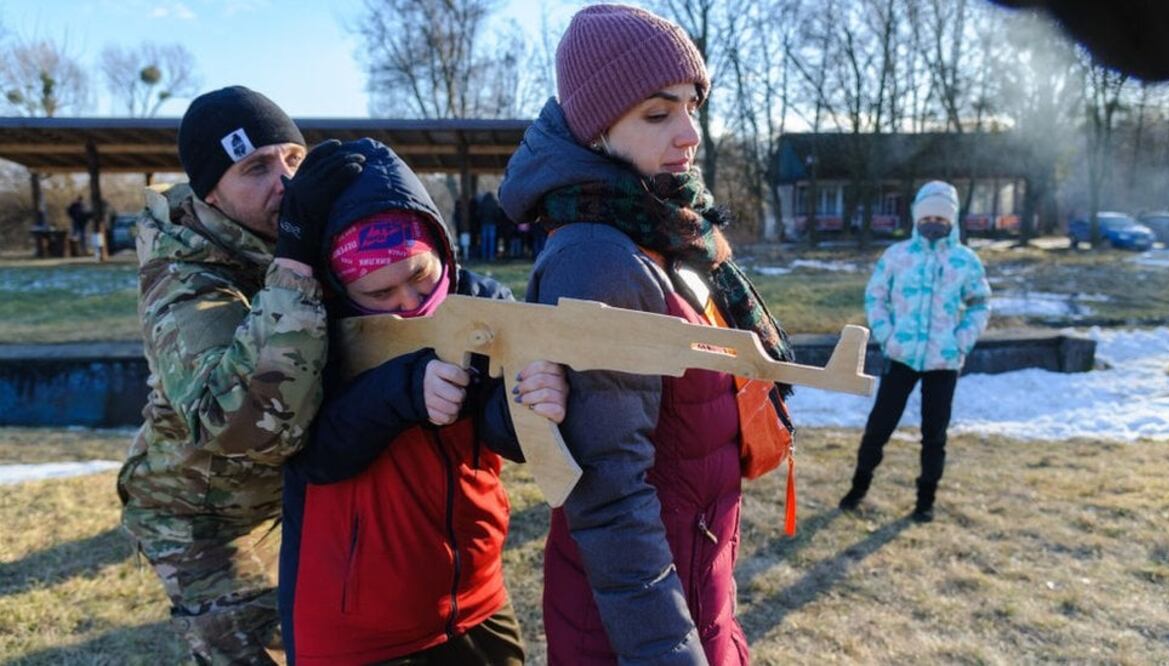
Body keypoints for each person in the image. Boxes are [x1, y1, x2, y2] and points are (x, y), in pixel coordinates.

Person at [499, 5, 795, 664]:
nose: (690, 134)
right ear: (598, 129)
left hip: (695, 596)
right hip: (635, 633)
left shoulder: (667, 233)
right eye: (658, 114)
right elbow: (609, 501)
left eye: (693, 106)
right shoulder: (599, 259)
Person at [279, 138, 567, 665]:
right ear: (342, 289)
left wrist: (533, 402)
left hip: (476, 596)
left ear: (439, 246)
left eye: (419, 276)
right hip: (354, 631)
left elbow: (500, 434)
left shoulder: (485, 304)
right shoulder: (305, 330)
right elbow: (310, 454)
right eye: (379, 295)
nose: (408, 306)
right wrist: (403, 390)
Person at [116, 85, 365, 664]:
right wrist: (298, 262)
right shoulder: (181, 279)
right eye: (255, 167)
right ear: (212, 194)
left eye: (293, 159)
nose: (285, 182)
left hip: (288, 494)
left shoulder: (281, 234)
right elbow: (236, 426)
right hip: (201, 518)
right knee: (259, 651)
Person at [838, 180, 991, 522]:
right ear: (916, 218)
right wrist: (888, 336)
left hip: (943, 361)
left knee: (934, 434)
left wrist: (960, 341)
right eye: (927, 217)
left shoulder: (965, 261)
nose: (933, 223)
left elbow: (980, 304)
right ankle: (858, 487)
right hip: (900, 356)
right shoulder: (897, 256)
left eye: (941, 218)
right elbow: (876, 297)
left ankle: (926, 501)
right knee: (879, 426)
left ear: (951, 221)